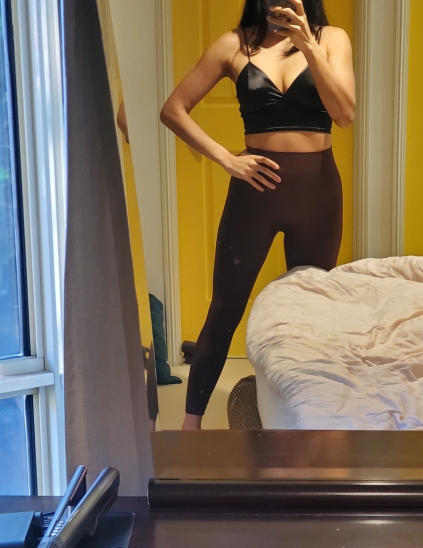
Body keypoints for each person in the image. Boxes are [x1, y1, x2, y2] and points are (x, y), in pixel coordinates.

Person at [160, 0, 356, 430]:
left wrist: (307, 45)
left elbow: (345, 115)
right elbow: (173, 109)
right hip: (254, 195)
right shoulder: (233, 44)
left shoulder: (330, 39)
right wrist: (227, 159)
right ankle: (190, 428)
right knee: (225, 309)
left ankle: (308, 418)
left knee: (311, 310)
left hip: (317, 194)